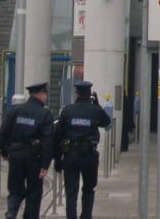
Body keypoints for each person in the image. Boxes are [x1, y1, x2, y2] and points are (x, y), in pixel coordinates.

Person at [54, 81, 112, 219]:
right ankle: (86, 216)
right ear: (90, 94)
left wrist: (57, 158)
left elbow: (58, 135)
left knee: (71, 192)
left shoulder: (68, 110)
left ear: (77, 94)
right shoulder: (95, 110)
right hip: (89, 155)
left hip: (70, 155)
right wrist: (97, 105)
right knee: (88, 189)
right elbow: (106, 122)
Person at [0, 82, 54, 219]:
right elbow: (48, 141)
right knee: (34, 193)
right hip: (34, 158)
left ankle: (11, 212)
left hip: (16, 156)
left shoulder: (14, 110)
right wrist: (45, 164)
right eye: (45, 94)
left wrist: (5, 152)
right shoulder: (45, 113)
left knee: (15, 189)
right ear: (41, 94)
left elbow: (3, 133)